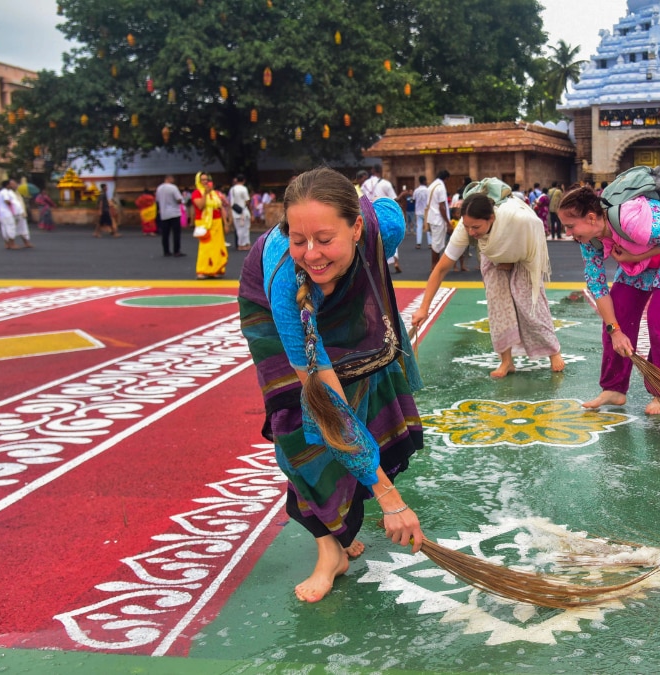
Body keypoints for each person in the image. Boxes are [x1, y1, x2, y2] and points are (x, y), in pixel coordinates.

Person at [237, 166, 424, 603]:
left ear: (357, 227)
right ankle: (329, 547)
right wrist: (390, 498)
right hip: (272, 309)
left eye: (325, 239)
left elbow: (388, 207)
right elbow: (324, 403)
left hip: (346, 301)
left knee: (360, 398)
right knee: (302, 425)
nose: (312, 253)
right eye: (298, 239)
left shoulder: (384, 227)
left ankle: (345, 521)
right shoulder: (285, 280)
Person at [558, 186, 660, 415]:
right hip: (639, 254)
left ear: (591, 218)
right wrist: (615, 331)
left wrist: (635, 256)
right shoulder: (589, 241)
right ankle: (614, 388)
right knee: (618, 312)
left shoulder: (628, 220)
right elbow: (597, 286)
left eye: (570, 226)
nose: (569, 232)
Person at [414, 180, 565, 378]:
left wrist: (512, 261)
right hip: (493, 258)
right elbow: (441, 268)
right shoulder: (466, 228)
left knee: (530, 303)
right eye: (467, 227)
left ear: (492, 218)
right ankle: (506, 361)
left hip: (524, 257)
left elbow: (534, 241)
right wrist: (424, 307)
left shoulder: (516, 219)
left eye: (476, 227)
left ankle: (554, 352)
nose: (471, 232)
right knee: (498, 307)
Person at [192, 172, 229, 279]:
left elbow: (221, 208)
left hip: (217, 223)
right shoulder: (197, 193)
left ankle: (214, 270)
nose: (205, 182)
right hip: (204, 223)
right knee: (205, 247)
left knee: (217, 247)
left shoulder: (215, 193)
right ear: (198, 181)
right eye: (202, 180)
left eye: (206, 180)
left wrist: (225, 223)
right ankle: (202, 270)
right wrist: (205, 194)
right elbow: (200, 206)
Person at [425, 170, 451, 268]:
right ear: (446, 178)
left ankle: (436, 264)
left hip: (432, 218)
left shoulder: (432, 185)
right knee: (436, 244)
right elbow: (441, 206)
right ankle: (434, 265)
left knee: (436, 242)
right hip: (438, 219)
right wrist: (448, 222)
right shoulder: (440, 187)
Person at [155, 175, 185, 257]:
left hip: (164, 213)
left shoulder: (159, 188)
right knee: (176, 233)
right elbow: (179, 199)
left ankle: (166, 251)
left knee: (165, 234)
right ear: (169, 179)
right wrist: (181, 200)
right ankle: (176, 250)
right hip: (174, 212)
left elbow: (157, 200)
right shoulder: (173, 188)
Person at [0, 178, 31, 249]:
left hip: (9, 213)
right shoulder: (5, 192)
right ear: (7, 185)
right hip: (8, 213)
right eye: (11, 184)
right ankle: (11, 244)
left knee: (7, 228)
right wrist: (13, 205)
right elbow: (7, 201)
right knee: (10, 228)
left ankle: (8, 244)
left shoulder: (7, 192)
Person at [229, 174, 252, 251]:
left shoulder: (232, 189)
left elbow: (231, 202)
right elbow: (247, 200)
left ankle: (240, 244)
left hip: (235, 211)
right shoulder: (243, 189)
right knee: (245, 229)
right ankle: (245, 244)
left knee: (239, 229)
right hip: (243, 211)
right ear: (244, 180)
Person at [412, 176, 429, 250]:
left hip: (418, 211)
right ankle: (430, 243)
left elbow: (413, 199)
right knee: (428, 227)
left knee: (419, 227)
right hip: (426, 211)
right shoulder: (428, 190)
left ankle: (418, 243)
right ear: (424, 181)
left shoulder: (416, 190)